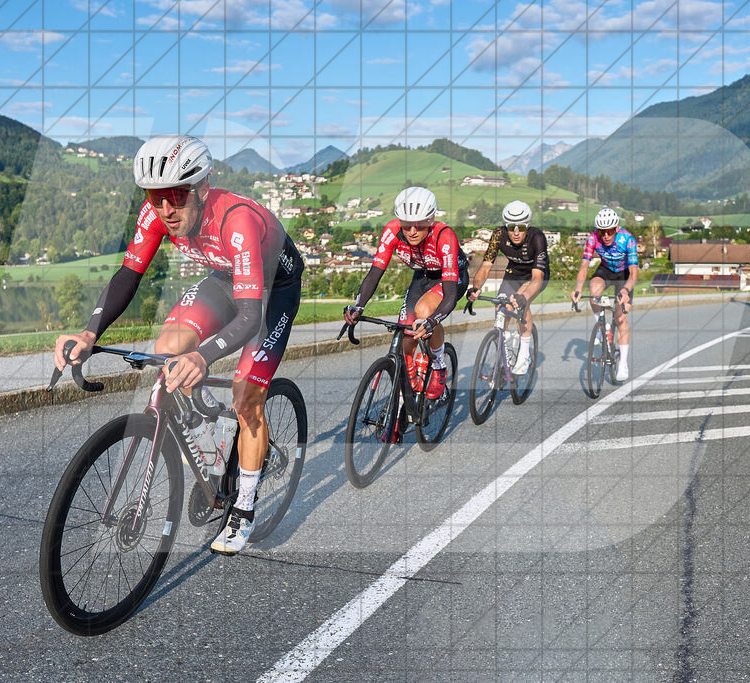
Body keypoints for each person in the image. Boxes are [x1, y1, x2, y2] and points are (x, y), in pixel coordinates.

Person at [54, 135, 303, 556]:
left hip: (271, 292)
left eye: (176, 196)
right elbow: (128, 275)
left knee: (246, 394)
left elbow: (249, 318)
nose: (166, 209)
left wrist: (204, 356)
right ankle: (208, 428)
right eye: (155, 197)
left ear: (202, 188)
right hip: (227, 280)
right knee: (169, 347)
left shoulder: (237, 220)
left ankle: (243, 507)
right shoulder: (157, 215)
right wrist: (89, 333)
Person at [344, 186, 468, 405]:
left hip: (450, 279)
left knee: (424, 312)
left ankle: (438, 364)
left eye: (419, 225)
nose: (412, 231)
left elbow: (449, 296)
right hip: (421, 276)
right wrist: (358, 306)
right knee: (405, 338)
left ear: (430, 220)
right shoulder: (392, 231)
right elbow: (375, 273)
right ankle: (406, 395)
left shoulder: (444, 236)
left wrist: (431, 322)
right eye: (406, 224)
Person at [466, 200, 548, 375]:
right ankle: (507, 348)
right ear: (506, 226)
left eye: (521, 227)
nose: (516, 232)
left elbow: (537, 279)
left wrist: (524, 298)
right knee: (501, 307)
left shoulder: (537, 237)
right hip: (514, 273)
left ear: (528, 225)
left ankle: (524, 353)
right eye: (511, 227)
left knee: (519, 302)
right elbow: (486, 266)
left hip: (535, 275)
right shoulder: (498, 235)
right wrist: (475, 288)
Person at [570, 207, 638, 381]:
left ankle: (622, 362)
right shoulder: (593, 238)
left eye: (609, 231)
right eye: (602, 232)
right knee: (593, 291)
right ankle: (601, 326)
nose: (606, 236)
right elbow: (584, 265)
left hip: (624, 275)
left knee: (621, 318)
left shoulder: (627, 239)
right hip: (606, 270)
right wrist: (578, 289)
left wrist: (625, 290)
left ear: (616, 228)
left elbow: (633, 273)